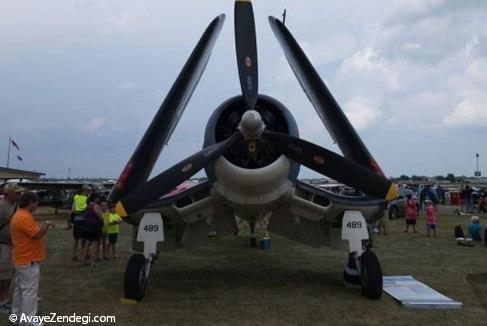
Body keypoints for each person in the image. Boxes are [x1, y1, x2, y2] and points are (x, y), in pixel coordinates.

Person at [10, 192, 54, 324]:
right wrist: (47, 224)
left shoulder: (21, 214)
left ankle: (17, 316)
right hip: (27, 259)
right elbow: (36, 235)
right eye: (36, 202)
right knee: (29, 291)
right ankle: (28, 321)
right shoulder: (23, 217)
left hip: (21, 258)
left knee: (20, 289)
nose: (37, 205)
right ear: (30, 203)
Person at [0, 183, 23, 313]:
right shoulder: (1, 206)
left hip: (12, 245)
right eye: (17, 193)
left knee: (8, 274)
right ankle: (2, 301)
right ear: (8, 193)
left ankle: (4, 299)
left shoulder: (16, 205)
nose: (20, 195)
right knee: (3, 274)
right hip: (3, 245)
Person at [70, 185, 91, 261]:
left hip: (85, 221)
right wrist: (83, 213)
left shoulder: (88, 199)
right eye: (88, 190)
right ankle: (74, 255)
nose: (89, 192)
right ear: (84, 190)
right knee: (76, 239)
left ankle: (84, 253)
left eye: (89, 191)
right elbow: (74, 210)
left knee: (84, 238)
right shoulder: (77, 198)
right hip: (78, 220)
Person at [81, 196, 103, 266]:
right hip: (95, 225)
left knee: (87, 244)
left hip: (88, 225)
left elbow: (84, 215)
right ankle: (92, 263)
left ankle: (83, 261)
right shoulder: (95, 206)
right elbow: (100, 216)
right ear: (95, 198)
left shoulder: (87, 206)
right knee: (94, 244)